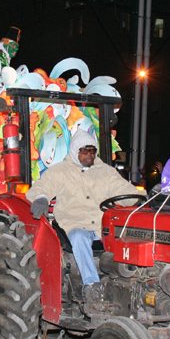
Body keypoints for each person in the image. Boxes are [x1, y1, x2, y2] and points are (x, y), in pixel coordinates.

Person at [26, 129, 138, 302]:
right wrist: (41, 198)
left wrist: (143, 198)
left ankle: (131, 285)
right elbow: (43, 186)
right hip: (74, 222)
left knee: (132, 235)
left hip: (102, 226)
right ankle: (92, 287)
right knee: (79, 237)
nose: (89, 156)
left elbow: (123, 189)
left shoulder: (106, 172)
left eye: (92, 151)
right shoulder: (61, 171)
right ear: (75, 151)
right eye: (84, 151)